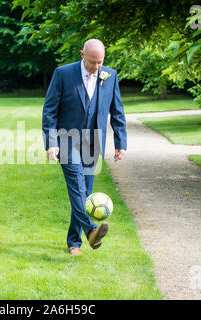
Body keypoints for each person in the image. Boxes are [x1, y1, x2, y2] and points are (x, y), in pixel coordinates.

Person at [42, 39, 127, 256]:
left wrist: (120, 143)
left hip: (93, 142)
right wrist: (51, 143)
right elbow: (50, 110)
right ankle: (91, 229)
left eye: (100, 62)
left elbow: (117, 112)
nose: (97, 67)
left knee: (84, 194)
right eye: (92, 62)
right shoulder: (63, 74)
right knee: (77, 188)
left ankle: (74, 242)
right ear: (82, 55)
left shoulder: (110, 75)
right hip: (66, 140)